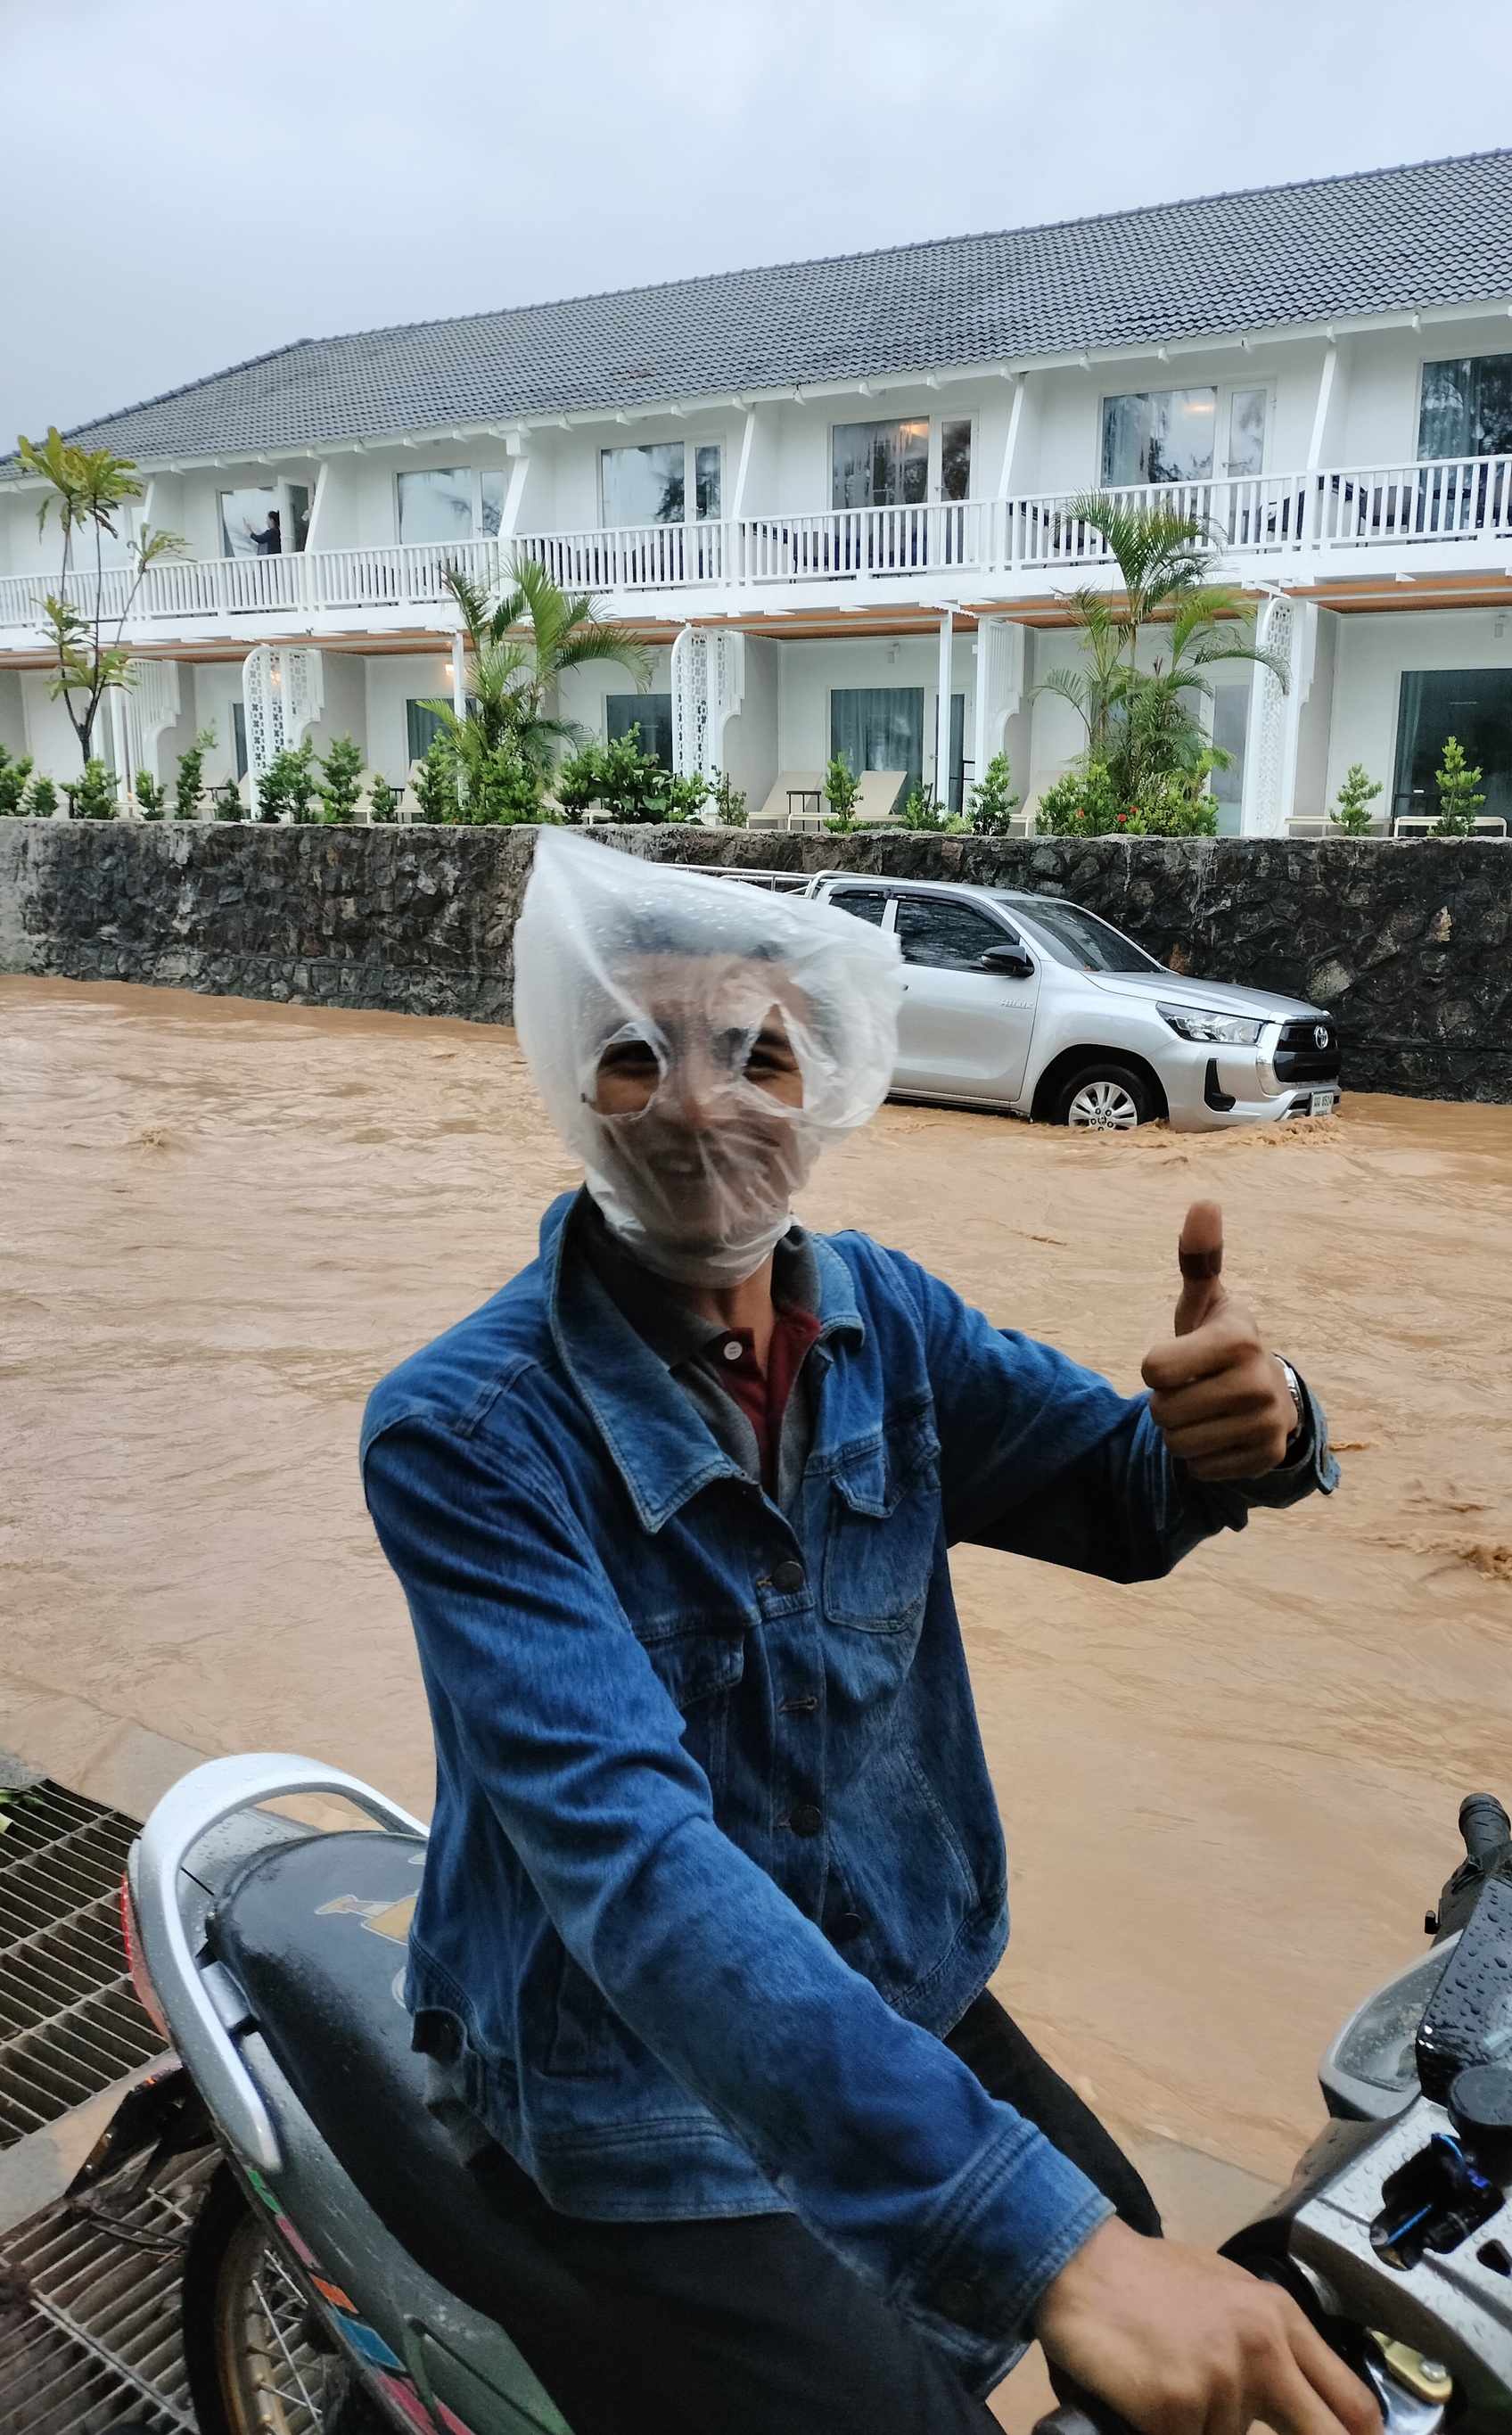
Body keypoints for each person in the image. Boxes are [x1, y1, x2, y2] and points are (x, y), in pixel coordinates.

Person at [361, 834, 1372, 2435]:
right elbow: (636, 1870)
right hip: (615, 2080)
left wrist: (1248, 1432)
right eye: (639, 1054)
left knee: (1140, 2234)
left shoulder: (888, 1323)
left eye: (756, 1053)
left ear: (823, 1084)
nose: (701, 1106)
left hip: (888, 1972)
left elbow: (1111, 1493)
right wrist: (1062, 2261)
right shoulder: (464, 1434)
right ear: (573, 1082)